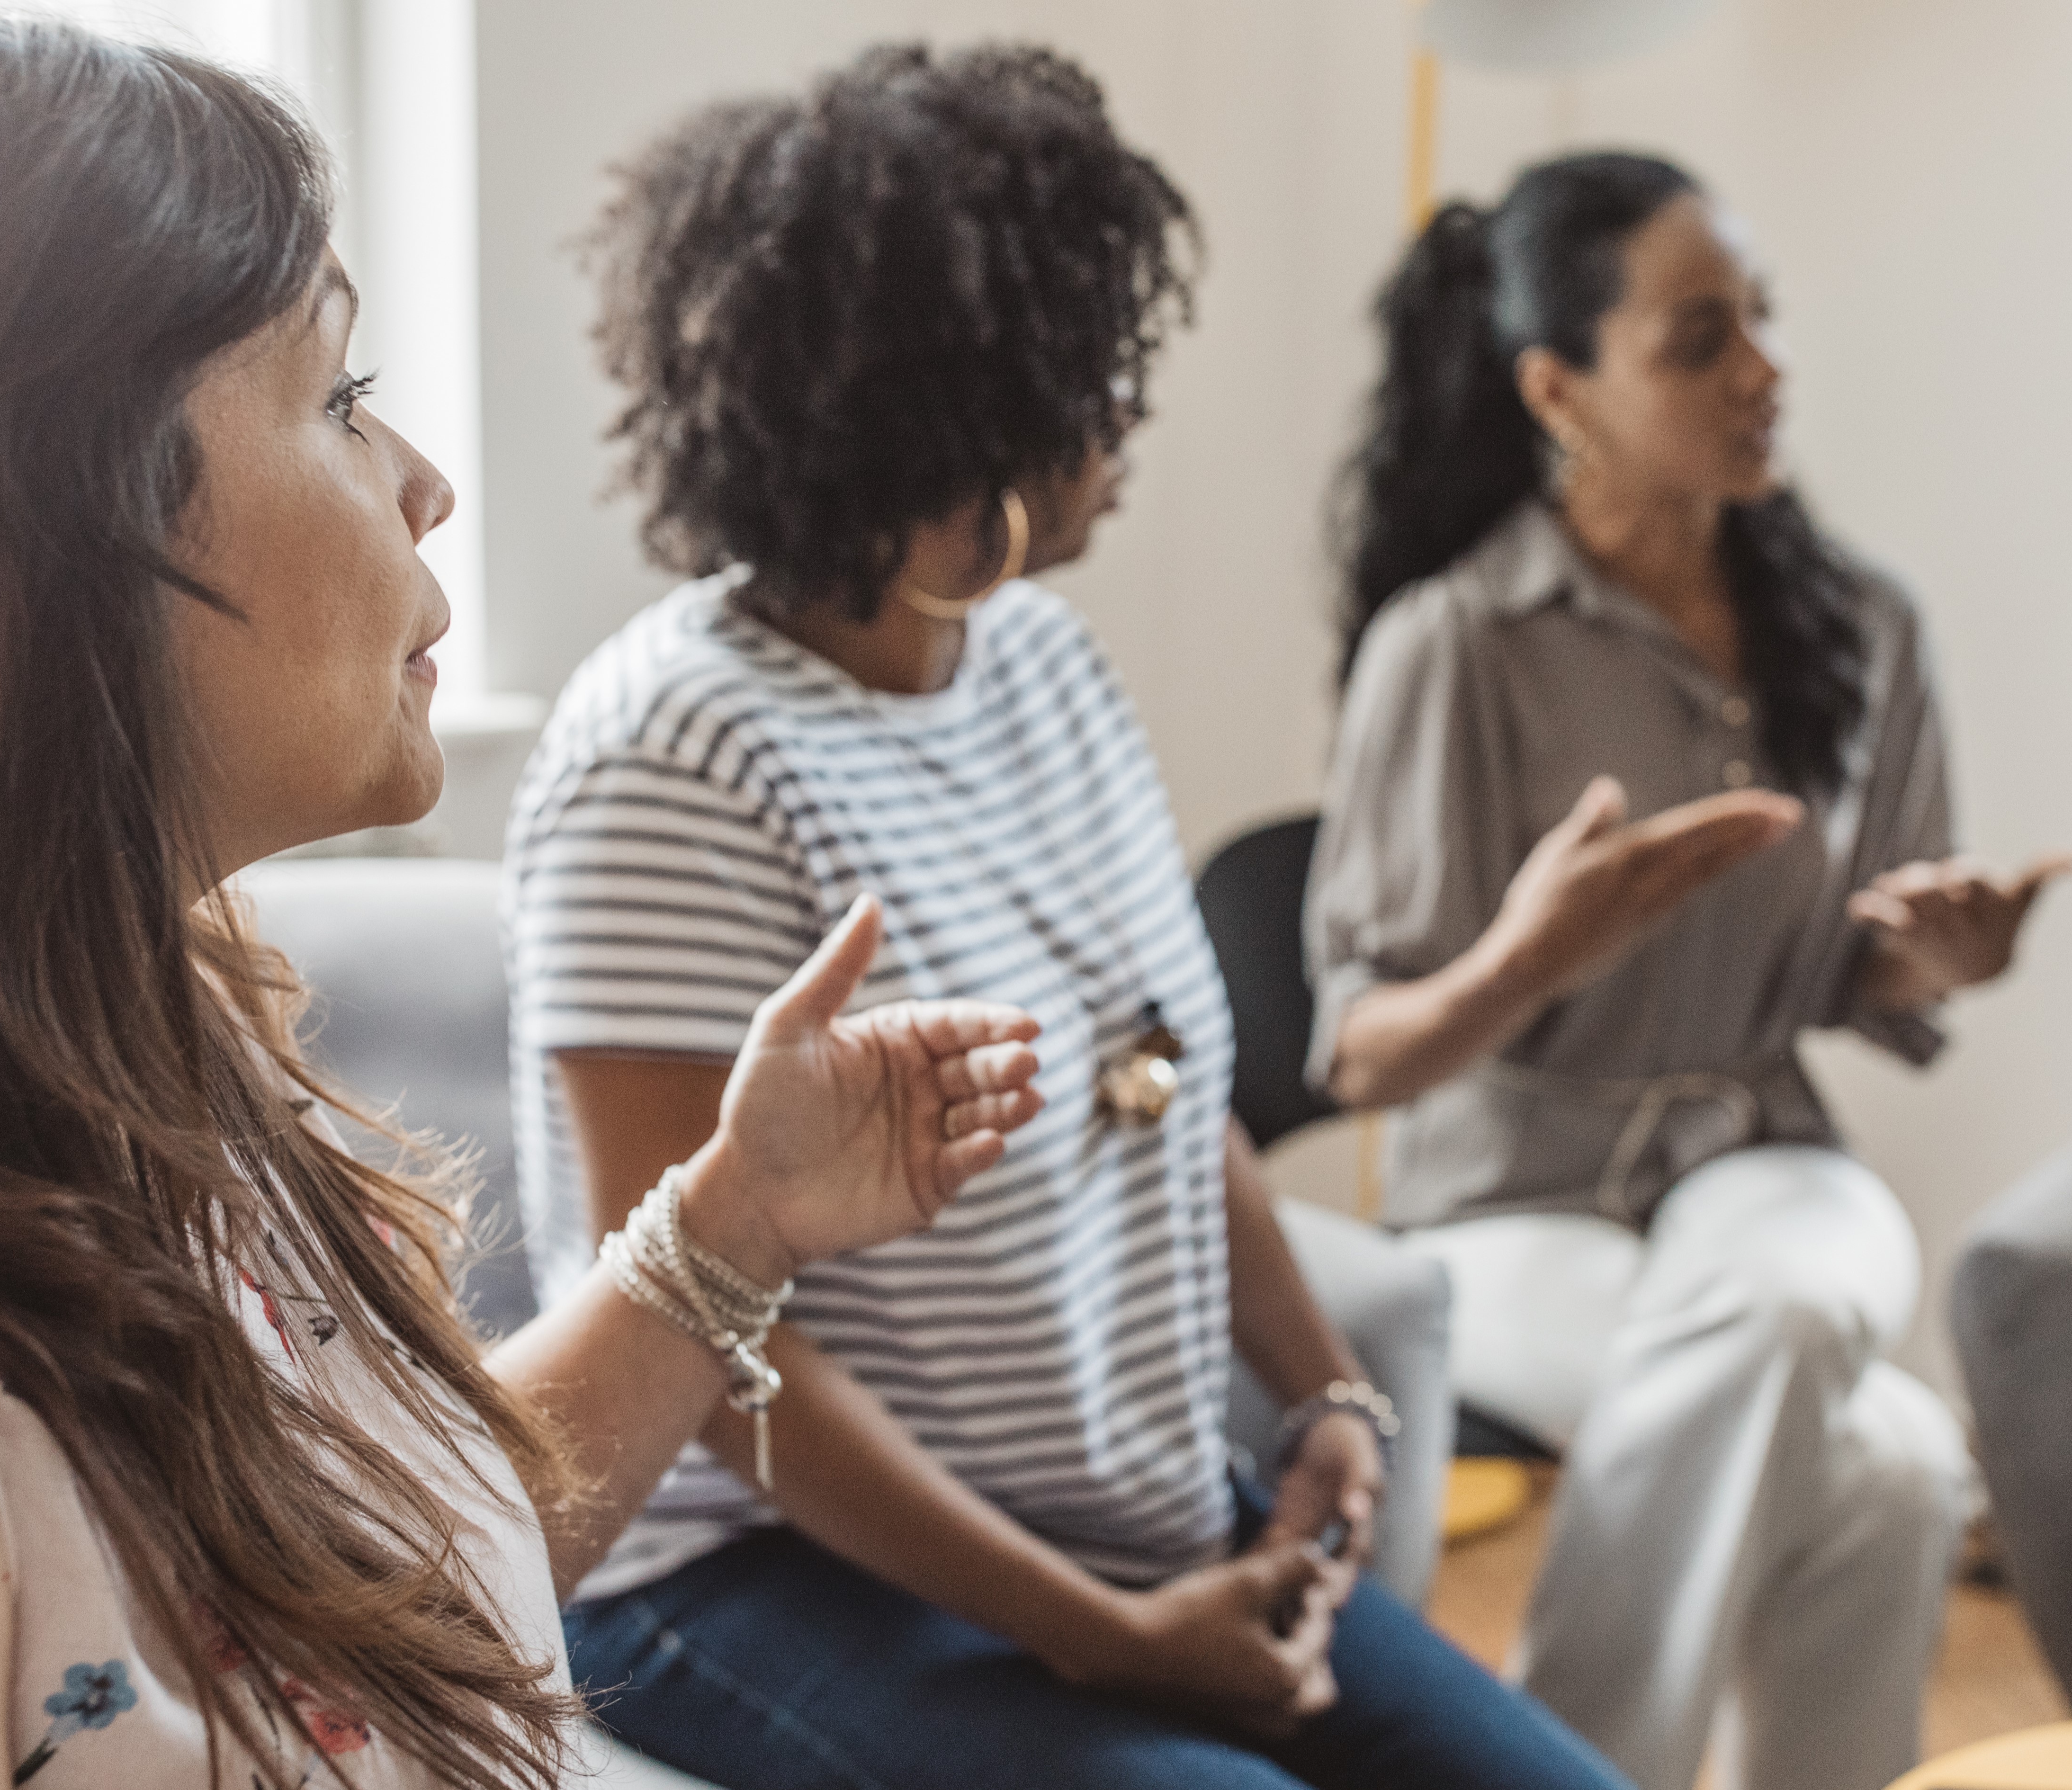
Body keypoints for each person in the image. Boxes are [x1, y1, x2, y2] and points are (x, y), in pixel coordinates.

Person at [0, 23, 1048, 1789]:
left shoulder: (121, 1009)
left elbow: (341, 1586)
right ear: (38, 523)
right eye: (340, 397)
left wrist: (736, 1220)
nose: (425, 483)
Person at [506, 43, 1628, 1790]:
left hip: (1124, 1525)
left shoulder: (1040, 662)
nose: (1131, 412)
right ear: (950, 418)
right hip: (753, 1578)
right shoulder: (669, 759)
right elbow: (719, 1347)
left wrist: (1333, 1396)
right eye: (1093, 364)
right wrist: (1096, 1638)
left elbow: (1159, 1086)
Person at [1307, 151, 2069, 1790]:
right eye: (1700, 337)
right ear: (1558, 388)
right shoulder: (1454, 643)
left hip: (1767, 1167)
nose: (1763, 370)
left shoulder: (1867, 621)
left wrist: (1931, 956)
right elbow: (1362, 1056)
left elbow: (1869, 969)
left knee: (1793, 1296)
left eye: (1764, 324)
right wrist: (1530, 954)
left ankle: (1546, 1767)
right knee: (1897, 1462)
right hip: (1505, 1208)